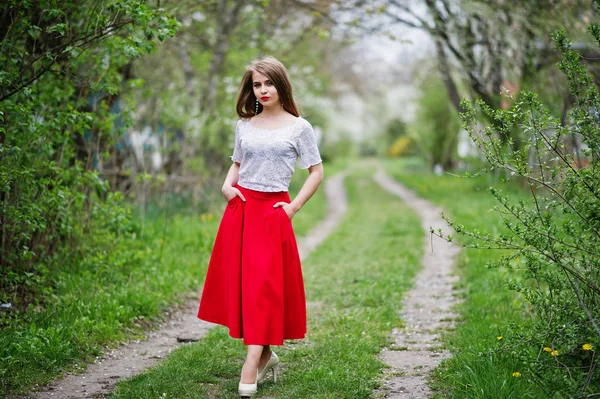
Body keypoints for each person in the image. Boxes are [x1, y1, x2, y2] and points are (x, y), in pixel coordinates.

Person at [197, 56, 324, 398]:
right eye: (257, 84)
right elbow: (237, 162)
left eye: (268, 83)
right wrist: (227, 186)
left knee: (264, 287)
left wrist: (293, 207)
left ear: (281, 85)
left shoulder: (300, 127)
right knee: (247, 287)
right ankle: (264, 354)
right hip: (241, 210)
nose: (263, 90)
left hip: (273, 214)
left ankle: (252, 362)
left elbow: (316, 171)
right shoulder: (245, 125)